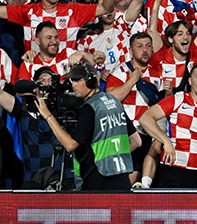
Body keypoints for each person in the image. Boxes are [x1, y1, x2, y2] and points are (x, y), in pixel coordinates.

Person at [32, 62, 141, 191]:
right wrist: (112, 156)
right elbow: (136, 141)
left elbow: (70, 145)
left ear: (91, 80)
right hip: (122, 180)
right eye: (72, 80)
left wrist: (48, 116)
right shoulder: (114, 102)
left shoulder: (90, 108)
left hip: (98, 182)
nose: (73, 85)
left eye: (77, 80)